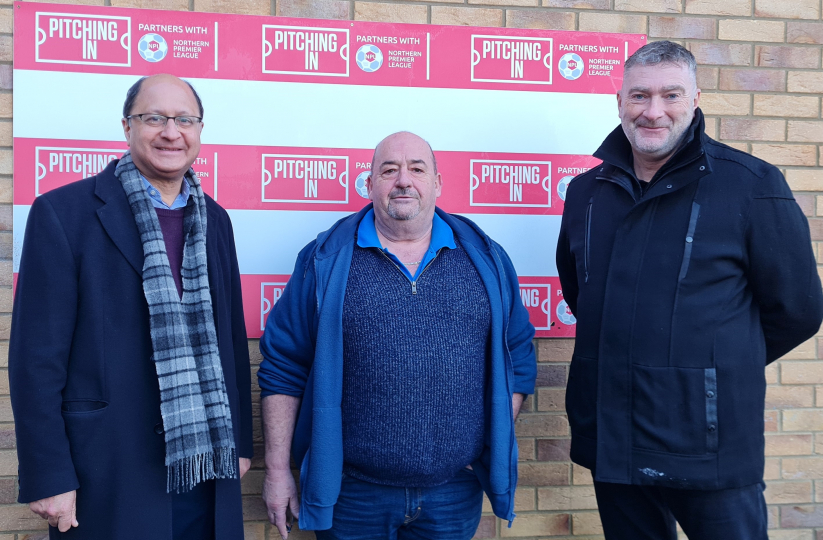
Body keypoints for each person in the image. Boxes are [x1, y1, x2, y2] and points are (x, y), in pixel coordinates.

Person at [556, 40, 823, 540]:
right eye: (639, 96)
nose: (653, 111)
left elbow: (798, 311)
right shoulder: (586, 194)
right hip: (613, 437)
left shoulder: (750, 185)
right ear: (620, 101)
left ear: (696, 98)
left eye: (670, 95)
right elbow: (582, 296)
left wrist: (713, 365)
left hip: (711, 443)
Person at [257, 131, 537, 540]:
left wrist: (483, 434)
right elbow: (284, 367)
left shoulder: (487, 260)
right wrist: (278, 471)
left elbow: (519, 358)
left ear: (437, 183)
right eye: (389, 170)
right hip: (352, 493)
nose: (403, 180)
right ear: (369, 185)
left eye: (417, 169)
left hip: (454, 491)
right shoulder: (325, 260)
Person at [9, 74, 253, 540]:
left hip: (205, 465)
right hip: (110, 465)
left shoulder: (216, 221)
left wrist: (239, 443)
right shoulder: (64, 213)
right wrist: (49, 474)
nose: (170, 132)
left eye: (185, 119)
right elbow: (35, 359)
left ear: (199, 130)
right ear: (127, 127)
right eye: (154, 118)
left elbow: (231, 344)